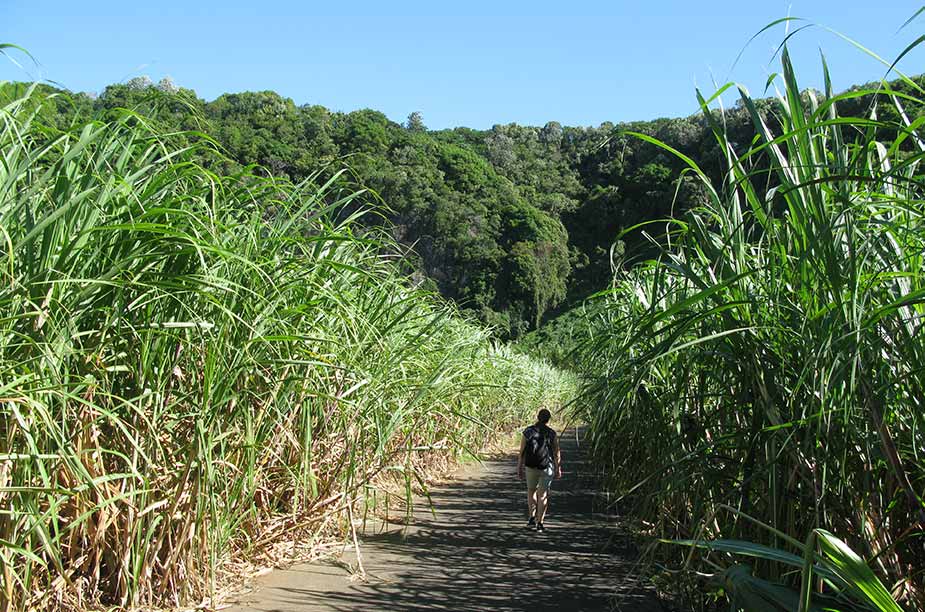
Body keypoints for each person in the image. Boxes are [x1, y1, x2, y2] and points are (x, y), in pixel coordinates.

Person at [517, 408, 562, 532]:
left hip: (530, 466)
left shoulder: (528, 432)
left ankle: (532, 517)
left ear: (537, 417)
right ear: (548, 419)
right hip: (547, 467)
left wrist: (519, 467)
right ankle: (540, 523)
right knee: (543, 495)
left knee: (531, 491)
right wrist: (558, 467)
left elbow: (521, 452)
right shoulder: (551, 433)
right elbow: (556, 452)